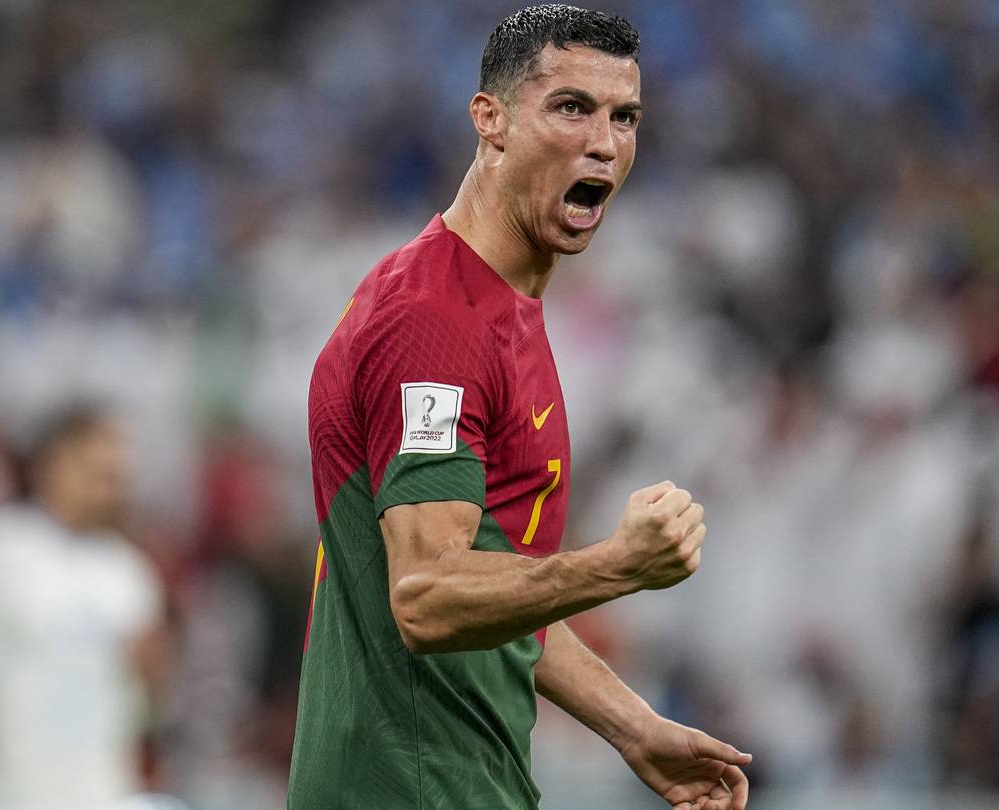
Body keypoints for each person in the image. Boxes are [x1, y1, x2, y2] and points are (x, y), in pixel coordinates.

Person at [287, 6, 751, 809]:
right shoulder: (433, 323)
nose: (603, 143)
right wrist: (617, 566)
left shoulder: (495, 309)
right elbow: (428, 596)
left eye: (625, 117)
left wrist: (632, 726)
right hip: (409, 790)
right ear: (490, 119)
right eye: (571, 107)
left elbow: (497, 588)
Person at [0, 405, 166, 810]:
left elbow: (143, 704)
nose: (108, 488)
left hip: (99, 795)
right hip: (0, 797)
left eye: (115, 476)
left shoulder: (129, 572)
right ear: (52, 464)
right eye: (96, 471)